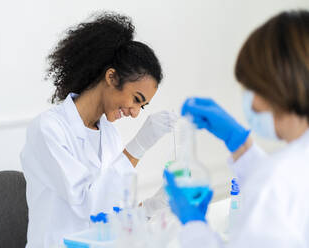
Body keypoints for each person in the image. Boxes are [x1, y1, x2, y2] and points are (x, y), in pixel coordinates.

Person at [20, 12, 177, 247]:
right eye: (136, 99)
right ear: (112, 77)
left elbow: (113, 216)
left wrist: (155, 204)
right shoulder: (49, 129)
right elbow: (87, 204)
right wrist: (138, 147)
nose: (135, 112)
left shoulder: (109, 135)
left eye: (142, 107)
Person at [165, 10, 309, 247]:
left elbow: (277, 188)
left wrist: (193, 225)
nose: (250, 102)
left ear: (276, 85)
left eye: (251, 89)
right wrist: (239, 142)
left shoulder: (275, 183)